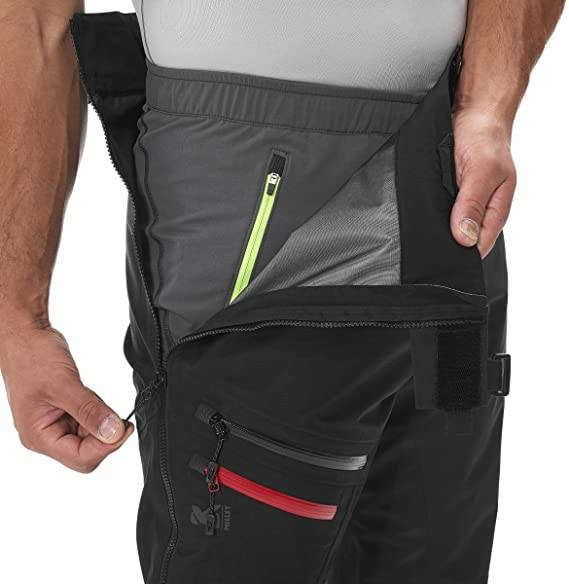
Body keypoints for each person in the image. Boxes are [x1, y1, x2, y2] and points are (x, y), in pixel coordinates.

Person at [0, 1, 564, 583]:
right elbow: (34, 14)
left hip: (443, 181)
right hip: (252, 191)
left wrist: (488, 105)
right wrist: (19, 318)